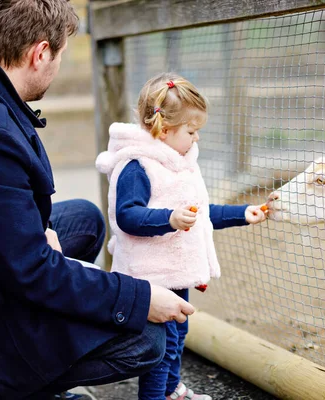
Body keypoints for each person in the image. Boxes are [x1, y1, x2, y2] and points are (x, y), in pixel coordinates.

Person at [0, 1, 195, 399]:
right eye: (59, 54)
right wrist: (139, 297)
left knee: (84, 220)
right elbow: (32, 273)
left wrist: (39, 231)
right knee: (146, 335)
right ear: (40, 53)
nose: (57, 66)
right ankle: (13, 387)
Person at [95, 72, 268, 400]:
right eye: (191, 131)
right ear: (163, 128)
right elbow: (127, 217)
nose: (197, 139)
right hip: (150, 275)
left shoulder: (179, 164)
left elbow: (199, 215)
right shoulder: (138, 166)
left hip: (174, 273)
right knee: (161, 342)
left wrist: (242, 214)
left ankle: (172, 390)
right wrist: (170, 219)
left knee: (179, 332)